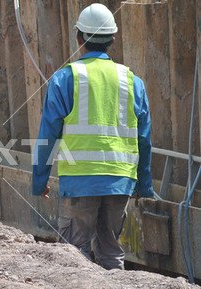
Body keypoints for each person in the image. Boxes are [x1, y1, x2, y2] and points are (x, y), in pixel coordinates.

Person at [32, 3, 154, 270]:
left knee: (74, 255)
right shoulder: (133, 82)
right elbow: (143, 140)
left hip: (80, 182)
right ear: (112, 39)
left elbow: (47, 137)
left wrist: (39, 180)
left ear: (79, 37)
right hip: (120, 181)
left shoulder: (64, 79)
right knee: (111, 251)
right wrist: (142, 185)